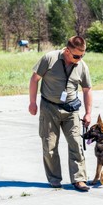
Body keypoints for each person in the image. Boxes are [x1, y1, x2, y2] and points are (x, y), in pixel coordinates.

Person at [29, 36, 92, 191]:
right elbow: (34, 79)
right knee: (49, 145)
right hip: (49, 108)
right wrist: (32, 102)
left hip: (71, 110)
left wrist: (88, 113)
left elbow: (86, 89)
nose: (79, 59)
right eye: (76, 55)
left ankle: (79, 179)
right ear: (67, 50)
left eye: (82, 55)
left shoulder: (82, 66)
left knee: (76, 144)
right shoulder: (50, 59)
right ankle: (54, 179)